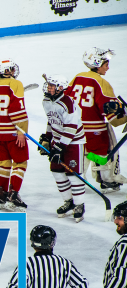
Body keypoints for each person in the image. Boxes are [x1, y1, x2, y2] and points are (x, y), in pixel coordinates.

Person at [66, 47, 127, 192]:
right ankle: (107, 180)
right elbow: (114, 118)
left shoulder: (77, 77)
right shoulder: (101, 83)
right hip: (95, 129)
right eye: (106, 64)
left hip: (77, 128)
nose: (108, 67)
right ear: (98, 63)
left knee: (85, 151)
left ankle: (77, 177)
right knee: (104, 152)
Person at [40, 75, 87, 223]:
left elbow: (71, 127)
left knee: (73, 175)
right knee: (57, 172)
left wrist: (60, 147)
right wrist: (47, 138)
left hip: (74, 142)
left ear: (61, 87)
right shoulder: (46, 101)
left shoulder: (68, 102)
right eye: (48, 85)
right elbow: (51, 120)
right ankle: (69, 202)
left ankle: (79, 205)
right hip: (58, 141)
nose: (49, 88)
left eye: (52, 86)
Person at [0, 59, 30, 212]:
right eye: (10, 69)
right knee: (20, 163)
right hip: (13, 130)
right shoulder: (15, 84)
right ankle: (13, 195)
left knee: (4, 162)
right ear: (6, 71)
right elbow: (17, 108)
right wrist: (21, 131)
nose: (13, 72)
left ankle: (3, 194)